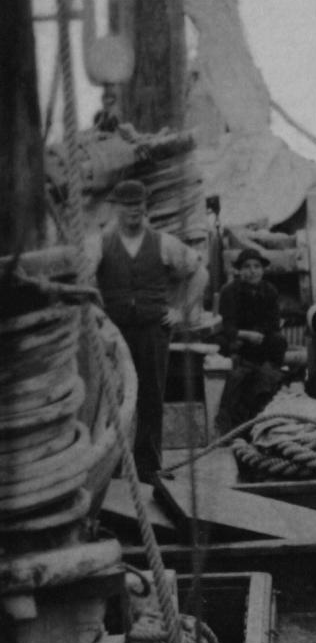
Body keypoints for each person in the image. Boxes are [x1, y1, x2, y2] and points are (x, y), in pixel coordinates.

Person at [88, 178, 207, 482]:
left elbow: (199, 273)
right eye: (127, 205)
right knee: (111, 396)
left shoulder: (164, 242)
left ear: (145, 207)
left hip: (152, 331)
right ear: (116, 208)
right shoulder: (101, 242)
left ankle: (149, 467)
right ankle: (111, 466)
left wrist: (181, 311)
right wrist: (97, 312)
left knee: (152, 397)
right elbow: (83, 274)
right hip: (114, 333)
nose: (133, 210)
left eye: (138, 205)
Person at [214, 248, 288, 434]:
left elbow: (273, 322)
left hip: (259, 340)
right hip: (238, 339)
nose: (252, 271)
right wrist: (245, 335)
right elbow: (226, 325)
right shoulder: (229, 291)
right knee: (224, 345)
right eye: (247, 267)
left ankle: (271, 376)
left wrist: (258, 334)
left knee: (279, 341)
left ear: (262, 270)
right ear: (239, 270)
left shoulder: (269, 291)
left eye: (257, 266)